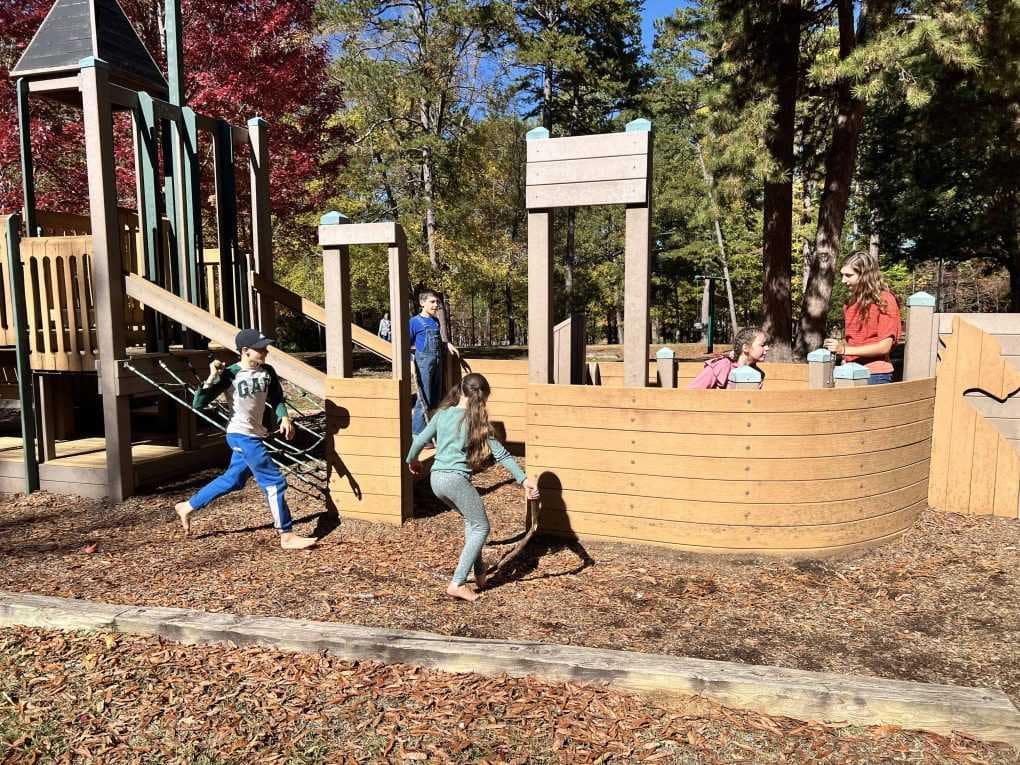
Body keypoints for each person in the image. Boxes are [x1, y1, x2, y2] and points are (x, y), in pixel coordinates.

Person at [174, 329, 317, 550]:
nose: (265, 352)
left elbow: (277, 397)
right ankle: (286, 535)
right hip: (241, 435)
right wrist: (212, 377)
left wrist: (284, 417)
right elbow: (198, 403)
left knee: (234, 479)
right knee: (274, 482)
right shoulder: (230, 374)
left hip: (254, 433)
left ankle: (187, 506)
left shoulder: (267, 371)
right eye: (260, 348)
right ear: (245, 351)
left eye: (265, 347)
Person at [406, 373, 540, 602]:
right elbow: (502, 455)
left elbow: (419, 440)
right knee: (481, 527)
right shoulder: (477, 422)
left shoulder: (443, 414)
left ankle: (479, 574)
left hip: (436, 479)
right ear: (481, 398)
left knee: (472, 522)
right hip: (456, 480)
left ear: (461, 390)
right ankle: (457, 583)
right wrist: (524, 479)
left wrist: (413, 461)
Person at [823, 251, 902, 385]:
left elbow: (884, 347)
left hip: (875, 375)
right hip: (848, 372)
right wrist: (843, 352)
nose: (843, 280)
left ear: (865, 275)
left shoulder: (884, 300)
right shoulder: (849, 303)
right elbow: (853, 340)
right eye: (842, 275)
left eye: (849, 275)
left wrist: (844, 350)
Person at [409, 291, 462, 436]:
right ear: (422, 303)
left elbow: (439, 340)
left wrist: (447, 345)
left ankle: (431, 431)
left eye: (437, 302)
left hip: (437, 363)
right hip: (423, 364)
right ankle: (418, 433)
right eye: (432, 302)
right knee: (423, 398)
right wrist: (411, 363)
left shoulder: (435, 321)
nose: (436, 305)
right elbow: (405, 345)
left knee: (435, 397)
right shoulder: (414, 322)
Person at [687, 327, 769, 389]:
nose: (767, 348)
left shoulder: (758, 374)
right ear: (745, 348)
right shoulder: (721, 366)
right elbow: (692, 392)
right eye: (762, 345)